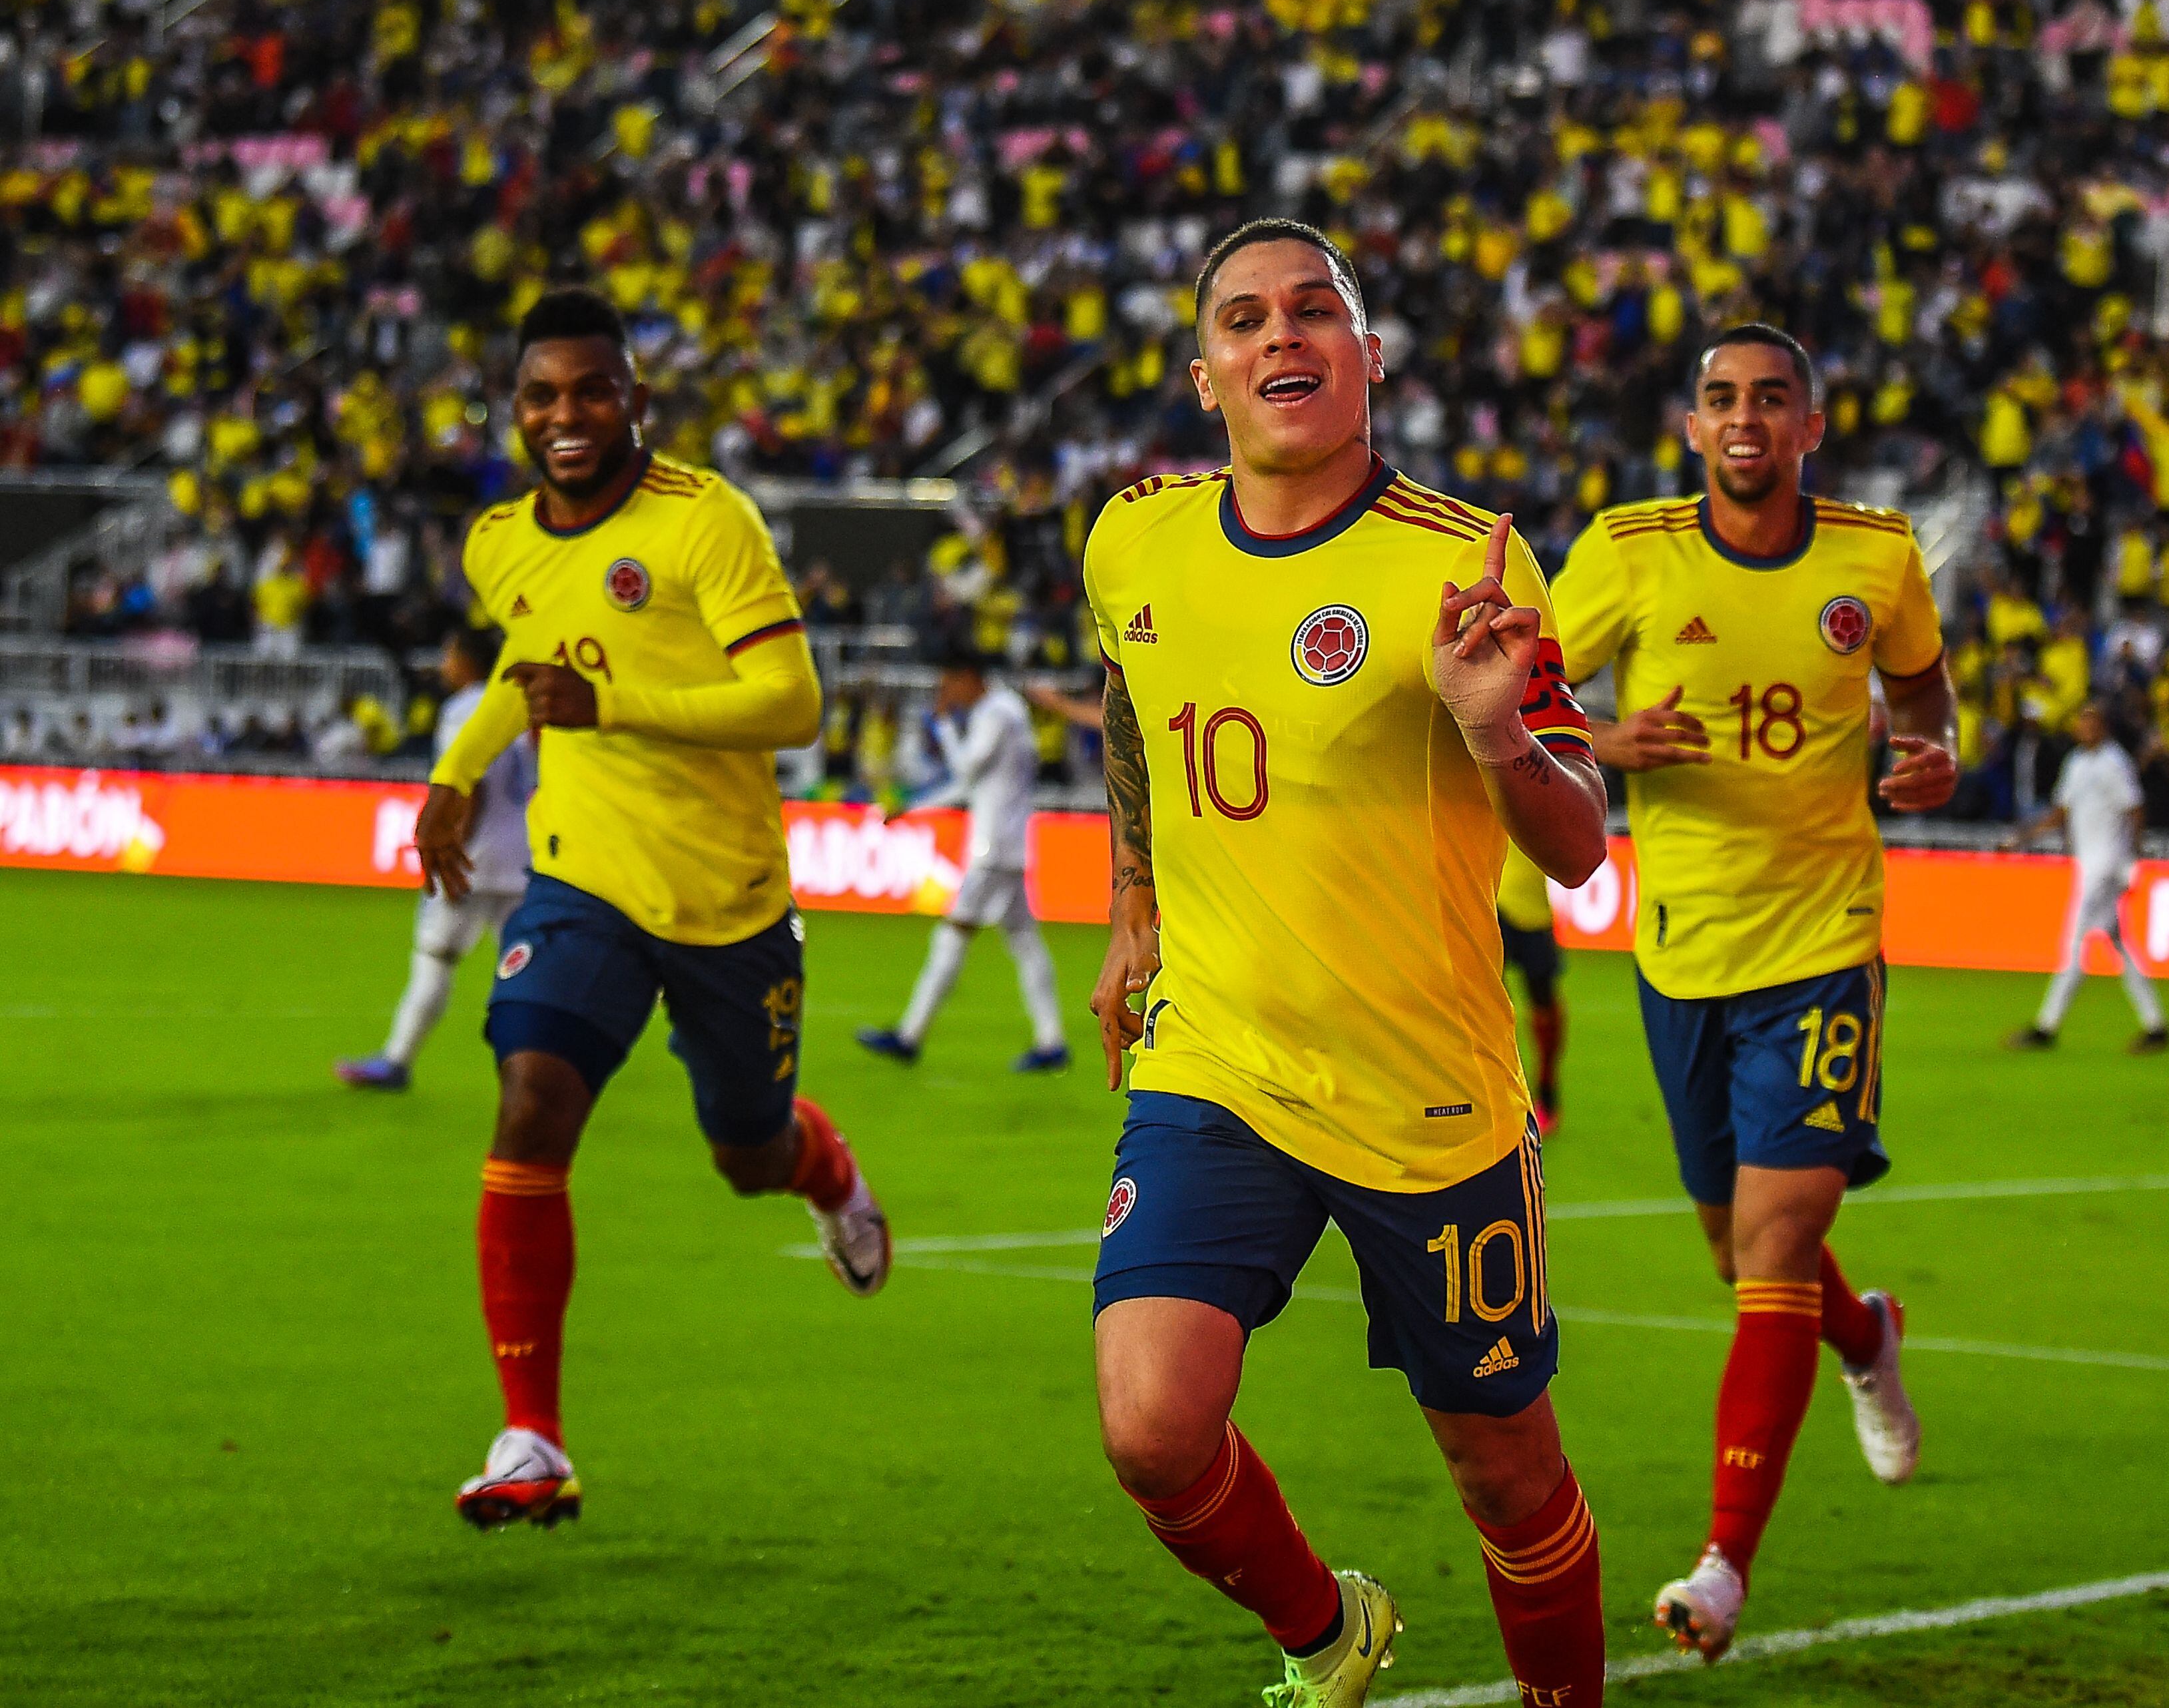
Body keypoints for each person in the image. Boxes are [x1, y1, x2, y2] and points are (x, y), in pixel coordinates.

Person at [1084, 220, 1611, 1708]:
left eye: (1316, 310)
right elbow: (1130, 686)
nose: (1281, 336)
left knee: (1508, 1476)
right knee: (1151, 1425)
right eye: (1245, 319)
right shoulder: (1136, 536)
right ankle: (1327, 1629)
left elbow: (1575, 848)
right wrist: (1136, 894)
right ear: (1206, 375)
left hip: (1424, 1097)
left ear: (1367, 356)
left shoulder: (1469, 560)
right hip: (1218, 1062)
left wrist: (1498, 727)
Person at [413, 288, 890, 1532]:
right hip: (583, 881)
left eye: (591, 390)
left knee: (745, 1152)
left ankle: (821, 1163)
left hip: (729, 899)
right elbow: (533, 676)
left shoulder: (705, 524)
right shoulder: (499, 542)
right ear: (513, 410)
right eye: (541, 395)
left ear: (636, 399)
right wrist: (456, 778)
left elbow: (792, 703)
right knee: (530, 1098)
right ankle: (533, 1438)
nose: (565, 416)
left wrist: (612, 708)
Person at [1550, 324, 1951, 1662]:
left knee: (1773, 1244)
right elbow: (1520, 697)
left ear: (1811, 423)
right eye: (1722, 399)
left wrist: (1933, 751)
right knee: (1738, 1251)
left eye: (1772, 398)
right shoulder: (1629, 550)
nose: (1745, 420)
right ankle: (1868, 1328)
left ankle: (1724, 1561)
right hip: (1680, 950)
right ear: (1692, 424)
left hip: (1825, 938)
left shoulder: (1877, 557)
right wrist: (1606, 737)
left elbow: (1921, 688)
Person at [337, 627, 537, 1090]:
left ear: (468, 661)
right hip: (522, 859)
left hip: (472, 860)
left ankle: (396, 1061)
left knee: (436, 959)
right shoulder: (518, 703)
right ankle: (535, 1070)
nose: (444, 664)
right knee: (523, 973)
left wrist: (452, 846)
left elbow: (470, 785)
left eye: (449, 654)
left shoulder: (465, 709)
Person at [856, 647, 1070, 1070]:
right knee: (1024, 943)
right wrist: (913, 808)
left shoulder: (997, 713)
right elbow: (972, 787)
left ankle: (910, 1037)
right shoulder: (1003, 712)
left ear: (970, 676)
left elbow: (966, 769)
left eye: (950, 682)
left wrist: (943, 725)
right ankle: (1052, 1043)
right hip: (1005, 844)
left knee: (952, 936)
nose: (946, 691)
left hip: (993, 849)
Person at [2003, 706, 2169, 1053]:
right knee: (2119, 946)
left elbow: (2134, 808)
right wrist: (2023, 837)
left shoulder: (2114, 762)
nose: (2085, 729)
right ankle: (2156, 1025)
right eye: (2081, 723)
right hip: (2090, 865)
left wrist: (2131, 861)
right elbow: (2062, 811)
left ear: (2104, 727)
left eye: (2091, 723)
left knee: (2075, 943)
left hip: (2106, 867)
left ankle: (2046, 1027)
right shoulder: (2077, 763)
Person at [1496, 854, 1568, 1136]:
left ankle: (1547, 1087)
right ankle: (1497, 1093)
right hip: (1487, 899)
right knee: (1486, 1003)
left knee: (1543, 1003)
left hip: (1530, 904)